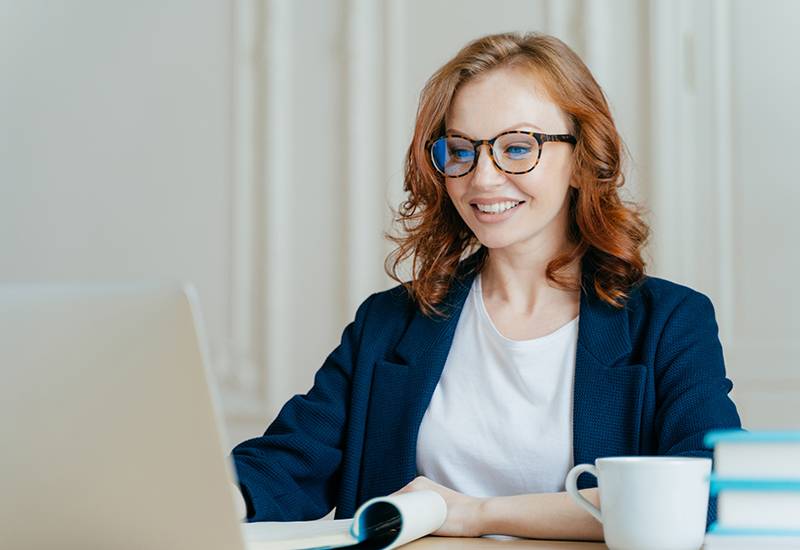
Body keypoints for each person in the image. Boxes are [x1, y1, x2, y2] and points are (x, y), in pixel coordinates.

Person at [230, 32, 741, 541]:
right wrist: (204, 496)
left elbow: (707, 492)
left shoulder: (671, 321)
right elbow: (284, 468)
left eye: (518, 148)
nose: (483, 178)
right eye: (460, 151)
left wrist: (478, 514)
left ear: (583, 161)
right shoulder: (390, 322)